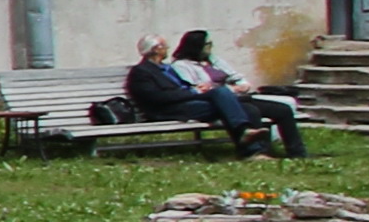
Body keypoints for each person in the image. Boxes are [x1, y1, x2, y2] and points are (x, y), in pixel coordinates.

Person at [125, 27, 305, 159]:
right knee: (220, 94)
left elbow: (183, 87)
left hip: (187, 103)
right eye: (164, 46)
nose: (168, 49)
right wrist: (192, 91)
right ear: (156, 49)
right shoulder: (142, 72)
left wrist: (197, 90)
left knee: (248, 109)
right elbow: (157, 98)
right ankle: (245, 135)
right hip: (169, 110)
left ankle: (253, 151)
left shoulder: (165, 68)